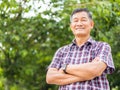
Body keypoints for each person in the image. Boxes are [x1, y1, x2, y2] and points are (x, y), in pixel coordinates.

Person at [46, 8, 115, 90]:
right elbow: (50, 78)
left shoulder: (102, 47)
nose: (79, 23)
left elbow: (95, 70)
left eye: (83, 20)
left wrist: (65, 68)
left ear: (91, 24)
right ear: (71, 27)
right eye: (75, 20)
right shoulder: (62, 51)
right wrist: (87, 75)